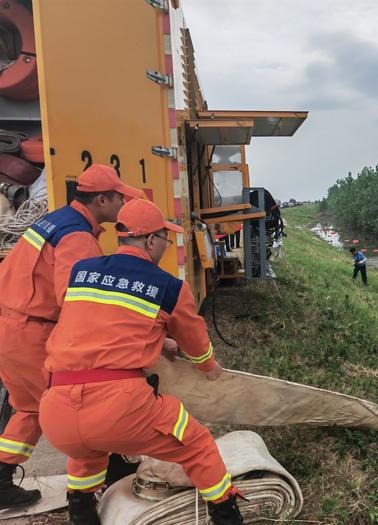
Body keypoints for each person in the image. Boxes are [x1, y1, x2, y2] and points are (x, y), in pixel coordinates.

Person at [38, 199, 244, 525]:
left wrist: (158, 341)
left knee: (87, 449)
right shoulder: (168, 286)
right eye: (165, 238)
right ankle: (227, 516)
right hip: (118, 407)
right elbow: (195, 341)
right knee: (196, 444)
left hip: (55, 412)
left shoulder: (81, 272)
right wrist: (209, 368)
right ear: (150, 240)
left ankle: (81, 514)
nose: (165, 245)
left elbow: (99, 324)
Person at [0, 164, 141, 509]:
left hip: (10, 325)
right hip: (29, 331)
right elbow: (77, 300)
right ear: (102, 200)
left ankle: (1, 481)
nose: (124, 203)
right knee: (80, 406)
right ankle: (102, 483)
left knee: (30, 407)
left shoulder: (56, 220)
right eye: (120, 197)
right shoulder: (78, 238)